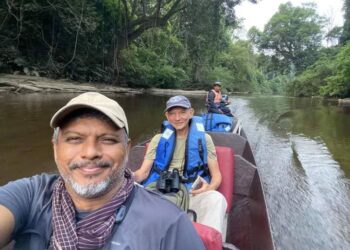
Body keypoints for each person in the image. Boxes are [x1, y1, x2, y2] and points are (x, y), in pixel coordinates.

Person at [0, 92, 204, 250]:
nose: (90, 152)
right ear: (55, 147)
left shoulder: (169, 223)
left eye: (108, 140)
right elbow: (142, 172)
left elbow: (214, 172)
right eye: (74, 139)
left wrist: (207, 186)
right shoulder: (30, 196)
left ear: (127, 149)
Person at [134, 95, 227, 238]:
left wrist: (210, 187)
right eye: (172, 113)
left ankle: (208, 243)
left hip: (191, 193)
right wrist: (128, 177)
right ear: (167, 115)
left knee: (217, 199)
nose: (177, 118)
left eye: (182, 112)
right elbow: (143, 173)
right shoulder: (158, 140)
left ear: (191, 113)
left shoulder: (204, 139)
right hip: (161, 191)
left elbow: (216, 176)